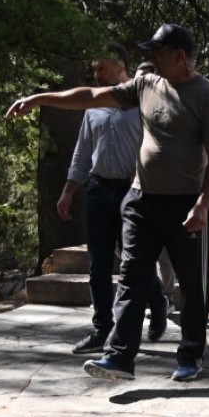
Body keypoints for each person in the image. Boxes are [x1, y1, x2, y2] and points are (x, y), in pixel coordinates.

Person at [8, 23, 209, 382]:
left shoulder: (207, 96)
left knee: (192, 284)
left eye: (158, 53)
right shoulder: (146, 84)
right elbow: (93, 96)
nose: (152, 59)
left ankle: (190, 354)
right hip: (141, 200)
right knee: (130, 278)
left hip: (185, 205)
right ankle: (120, 357)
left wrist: (204, 204)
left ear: (180, 57)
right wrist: (40, 99)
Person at [55, 51, 168, 353]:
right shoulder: (93, 108)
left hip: (133, 193)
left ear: (122, 68)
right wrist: (68, 191)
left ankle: (157, 303)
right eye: (94, 68)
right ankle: (101, 328)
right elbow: (82, 153)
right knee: (99, 265)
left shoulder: (143, 104)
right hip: (98, 191)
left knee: (135, 262)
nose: (96, 73)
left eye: (102, 67)